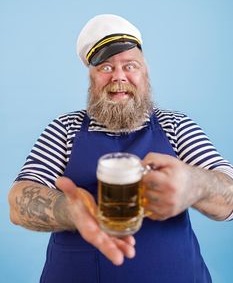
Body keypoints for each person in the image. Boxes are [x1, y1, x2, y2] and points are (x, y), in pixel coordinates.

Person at [8, 14, 233, 283]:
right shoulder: (64, 128)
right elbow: (18, 202)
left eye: (130, 66)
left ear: (145, 73)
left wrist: (196, 185)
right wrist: (71, 212)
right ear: (91, 78)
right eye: (105, 68)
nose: (119, 76)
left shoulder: (176, 125)